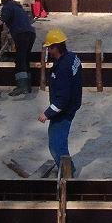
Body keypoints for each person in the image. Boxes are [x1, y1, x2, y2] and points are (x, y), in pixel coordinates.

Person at [37, 29, 82, 174]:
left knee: (56, 145)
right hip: (72, 104)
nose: (48, 51)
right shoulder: (73, 58)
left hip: (64, 110)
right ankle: (68, 170)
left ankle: (68, 173)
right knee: (57, 141)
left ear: (56, 47)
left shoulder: (62, 68)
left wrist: (47, 114)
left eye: (50, 48)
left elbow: (62, 100)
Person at [0, 0, 36, 96]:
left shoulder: (7, 7)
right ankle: (28, 86)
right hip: (31, 34)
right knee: (26, 58)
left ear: (3, 2)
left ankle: (21, 86)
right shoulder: (18, 8)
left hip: (21, 35)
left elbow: (2, 19)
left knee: (20, 59)